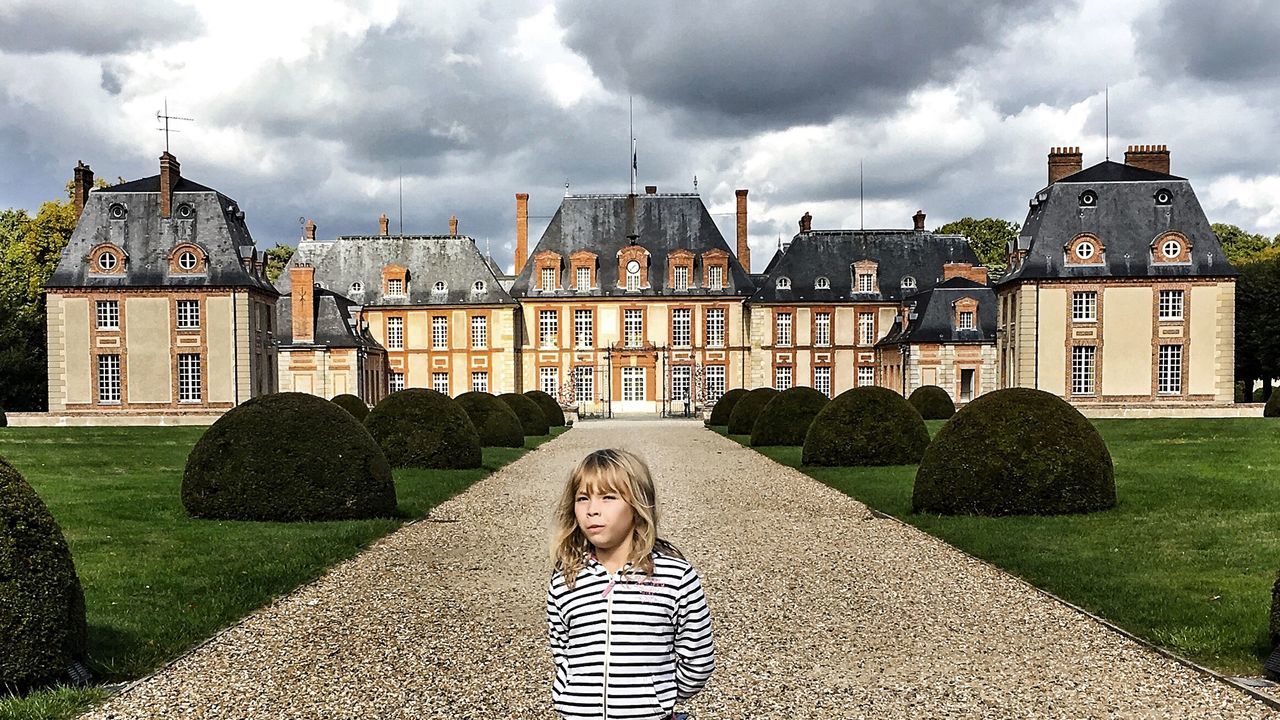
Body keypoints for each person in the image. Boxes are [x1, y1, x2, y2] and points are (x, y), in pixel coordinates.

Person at [546, 448, 715, 720]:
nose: (592, 510)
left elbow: (698, 659)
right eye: (582, 498)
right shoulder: (567, 578)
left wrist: (659, 695)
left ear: (638, 505)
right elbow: (562, 648)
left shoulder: (675, 577)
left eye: (608, 497)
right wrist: (572, 691)